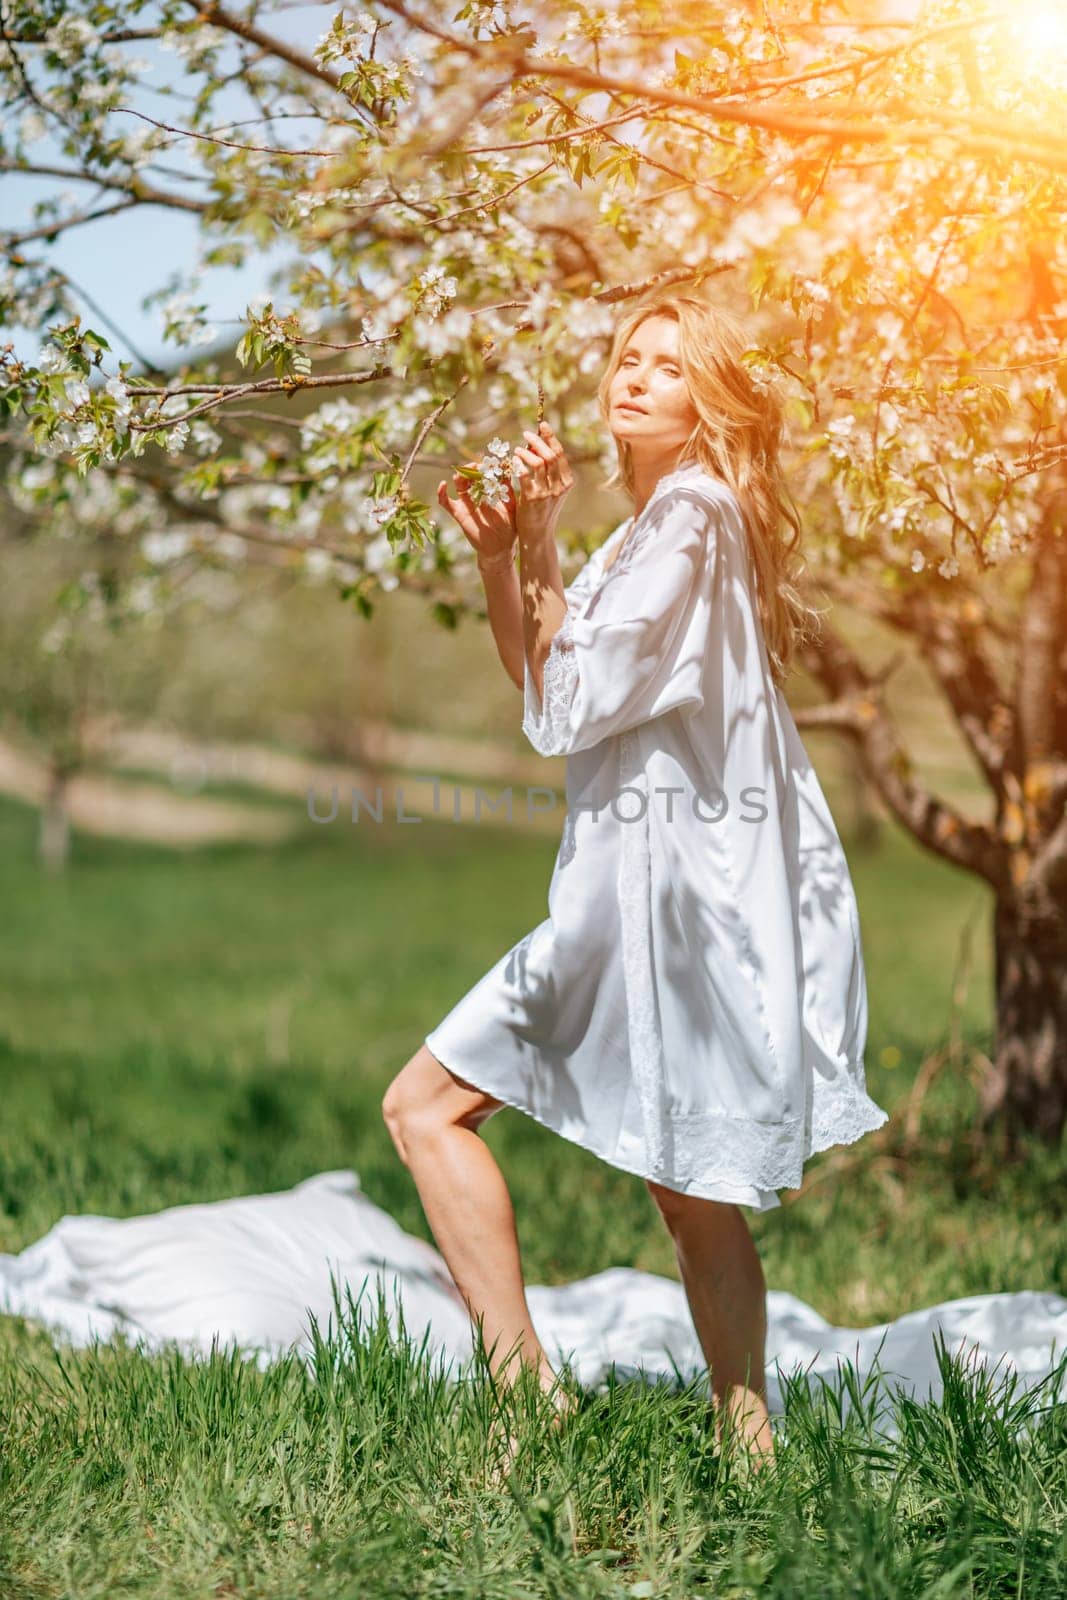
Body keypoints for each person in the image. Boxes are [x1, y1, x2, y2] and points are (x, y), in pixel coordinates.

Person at [381, 289, 890, 1468]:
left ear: (707, 403)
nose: (635, 378)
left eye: (668, 366)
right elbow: (542, 676)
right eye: (627, 357)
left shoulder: (697, 515)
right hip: (643, 894)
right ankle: (746, 1449)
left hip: (651, 899)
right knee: (684, 1186)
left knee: (424, 1108)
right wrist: (514, 550)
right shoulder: (645, 530)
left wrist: (538, 554)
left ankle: (527, 1400)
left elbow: (567, 704)